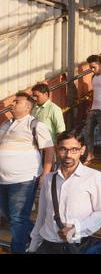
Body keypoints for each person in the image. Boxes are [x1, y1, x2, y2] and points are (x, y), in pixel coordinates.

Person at [28, 131, 101, 254]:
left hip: (75, 246)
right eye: (63, 149)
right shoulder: (49, 179)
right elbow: (42, 215)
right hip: (48, 245)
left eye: (74, 150)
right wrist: (33, 247)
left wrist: (76, 228)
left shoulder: (94, 177)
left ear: (82, 150)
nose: (68, 154)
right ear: (57, 149)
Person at [0, 92, 54, 253]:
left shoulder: (35, 124)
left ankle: (19, 249)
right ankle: (36, 234)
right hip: (3, 180)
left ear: (28, 107)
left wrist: (45, 173)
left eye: (17, 102)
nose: (12, 104)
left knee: (17, 219)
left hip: (23, 180)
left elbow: (49, 149)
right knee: (10, 216)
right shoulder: (6, 123)